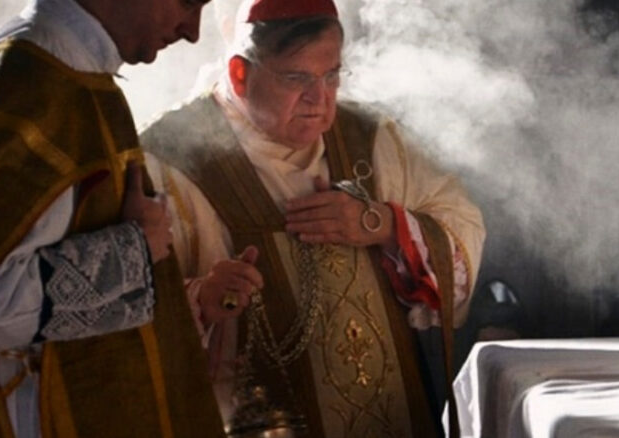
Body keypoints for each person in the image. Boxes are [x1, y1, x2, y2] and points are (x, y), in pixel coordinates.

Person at [138, 0, 486, 436]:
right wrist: (200, 298)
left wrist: (382, 225)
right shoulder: (169, 160)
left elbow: (460, 227)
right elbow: (125, 318)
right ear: (240, 74)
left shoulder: (369, 136)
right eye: (297, 78)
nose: (320, 101)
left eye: (332, 76)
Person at [0, 0, 227, 436]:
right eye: (188, 4)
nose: (193, 32)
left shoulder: (64, 69)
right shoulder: (40, 80)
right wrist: (135, 249)